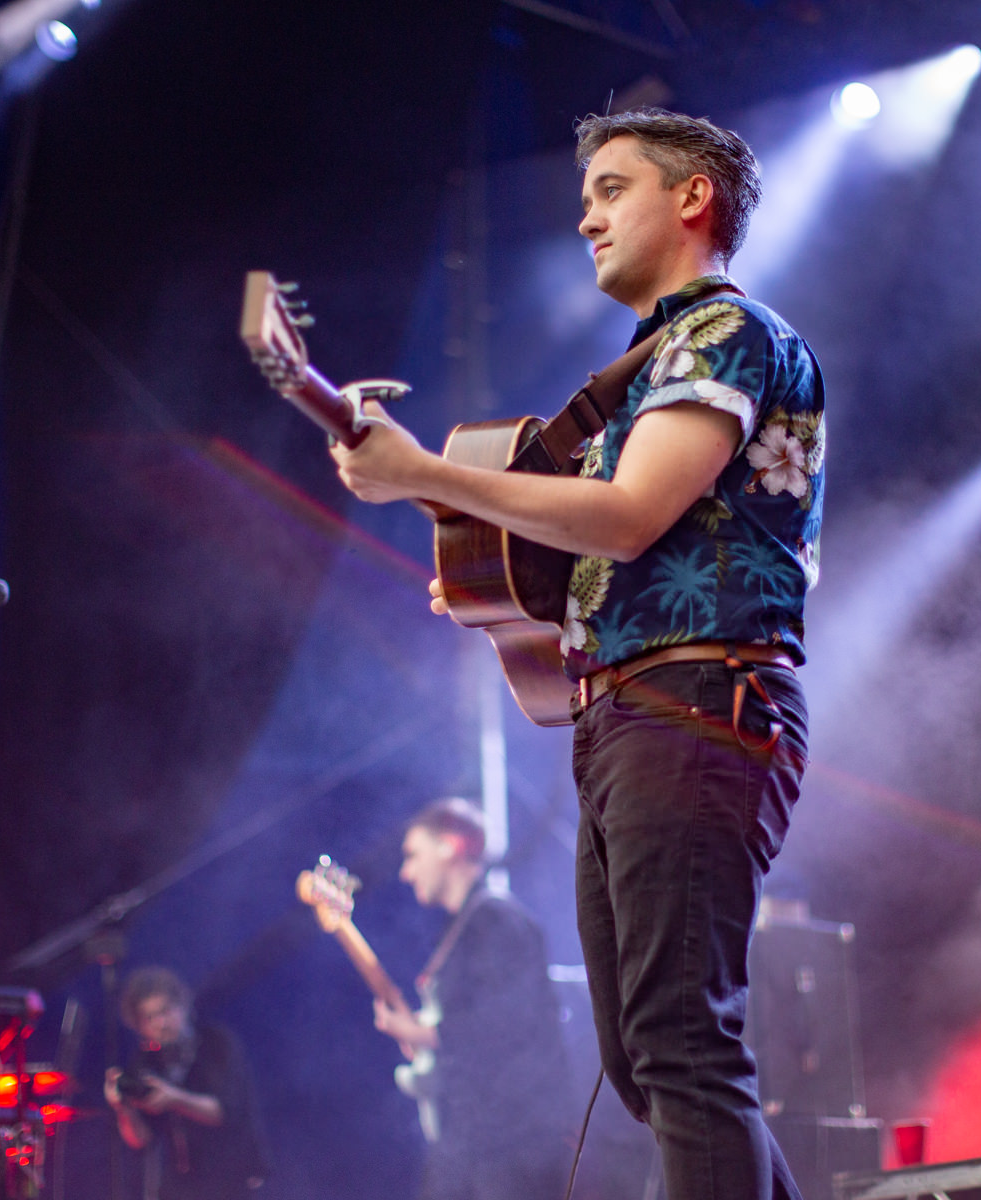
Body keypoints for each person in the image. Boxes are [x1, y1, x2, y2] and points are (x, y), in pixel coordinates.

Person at [332, 108, 823, 1200]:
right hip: (641, 718)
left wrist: (429, 476)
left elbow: (631, 513)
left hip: (699, 707)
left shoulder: (722, 336)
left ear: (692, 198)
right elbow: (617, 556)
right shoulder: (648, 374)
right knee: (652, 1066)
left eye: (612, 187)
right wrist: (504, 592)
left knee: (682, 1051)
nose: (586, 214)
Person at [371, 798, 574, 1200]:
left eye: (413, 855)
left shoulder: (496, 920)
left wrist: (423, 1032)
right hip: (470, 1137)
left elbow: (505, 1021)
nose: (405, 872)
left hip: (513, 1142)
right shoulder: (461, 927)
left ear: (450, 845)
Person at [103, 966, 267, 1200]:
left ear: (183, 1005)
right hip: (184, 1186)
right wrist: (123, 1108)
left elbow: (225, 1112)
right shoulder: (147, 1061)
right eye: (149, 1018)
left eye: (166, 1011)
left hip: (236, 1180)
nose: (161, 1023)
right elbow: (141, 1140)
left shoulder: (216, 1043)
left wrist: (174, 1099)